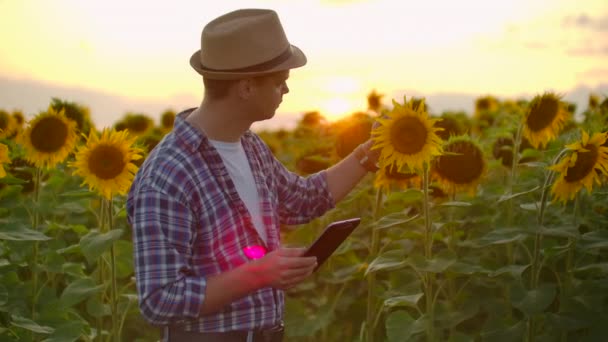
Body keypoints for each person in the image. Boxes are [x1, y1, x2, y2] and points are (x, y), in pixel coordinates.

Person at [127, 8, 379, 342]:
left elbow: (303, 200)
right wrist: (258, 274)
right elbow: (159, 300)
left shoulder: (250, 147)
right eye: (279, 81)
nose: (286, 91)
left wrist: (367, 156)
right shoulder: (169, 175)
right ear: (246, 87)